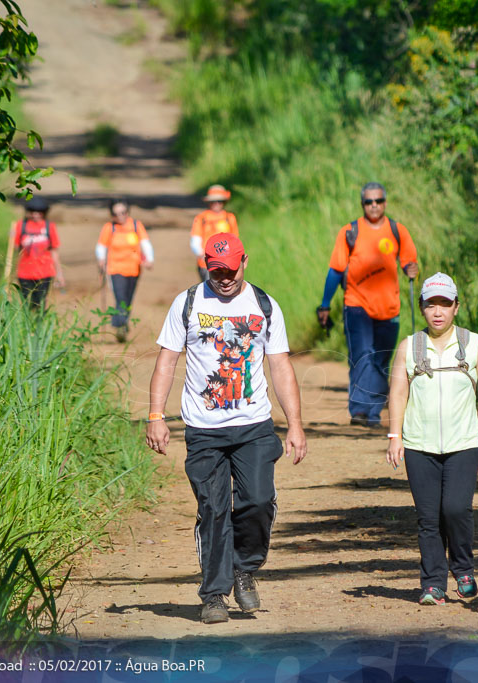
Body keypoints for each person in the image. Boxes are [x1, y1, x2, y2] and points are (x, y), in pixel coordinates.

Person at [146, 233, 307, 624]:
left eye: (231, 269)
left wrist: (296, 425)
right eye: (216, 270)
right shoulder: (188, 303)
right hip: (203, 429)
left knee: (257, 501)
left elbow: (281, 366)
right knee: (214, 510)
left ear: (244, 261)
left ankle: (244, 568)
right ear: (205, 265)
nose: (224, 278)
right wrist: (155, 415)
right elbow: (167, 360)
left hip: (253, 425)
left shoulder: (264, 305)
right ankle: (214, 595)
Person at [386, 273, 478, 604]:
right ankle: (432, 583)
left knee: (456, 509)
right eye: (431, 304)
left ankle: (463, 568)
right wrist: (394, 435)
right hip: (418, 444)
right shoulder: (409, 346)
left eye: (445, 304)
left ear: (456, 307)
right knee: (428, 518)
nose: (437, 311)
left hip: (463, 443)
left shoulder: (473, 343)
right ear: (422, 307)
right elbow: (398, 392)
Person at [316, 182, 419, 427]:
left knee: (381, 359)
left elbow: (408, 261)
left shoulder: (397, 230)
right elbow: (335, 270)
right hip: (356, 304)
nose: (374, 205)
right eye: (369, 201)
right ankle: (362, 411)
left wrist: (410, 269)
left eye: (378, 201)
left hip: (388, 307)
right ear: (362, 204)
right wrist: (325, 304)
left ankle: (374, 410)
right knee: (362, 356)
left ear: (385, 202)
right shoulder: (350, 232)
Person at [96, 199, 154, 342]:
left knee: (128, 299)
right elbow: (101, 246)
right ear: (112, 215)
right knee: (120, 297)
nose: (120, 216)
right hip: (115, 269)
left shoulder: (136, 225)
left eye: (123, 213)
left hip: (134, 269)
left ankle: (123, 321)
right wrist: (101, 260)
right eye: (116, 214)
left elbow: (145, 243)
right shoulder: (109, 228)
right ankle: (120, 325)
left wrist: (149, 259)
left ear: (127, 212)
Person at [6, 196, 65, 310]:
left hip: (45, 273)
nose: (36, 214)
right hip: (25, 273)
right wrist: (12, 237)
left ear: (44, 212)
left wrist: (60, 274)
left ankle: (39, 325)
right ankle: (27, 325)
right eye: (33, 211)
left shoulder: (49, 227)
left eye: (39, 212)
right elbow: (15, 248)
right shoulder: (20, 226)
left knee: (40, 302)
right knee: (26, 303)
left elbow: (54, 251)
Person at [190, 184, 239, 281]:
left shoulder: (230, 218)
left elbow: (235, 241)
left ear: (224, 202)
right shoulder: (201, 218)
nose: (216, 203)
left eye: (219, 201)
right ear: (209, 202)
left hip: (227, 263)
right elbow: (195, 239)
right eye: (213, 201)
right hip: (206, 264)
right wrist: (202, 254)